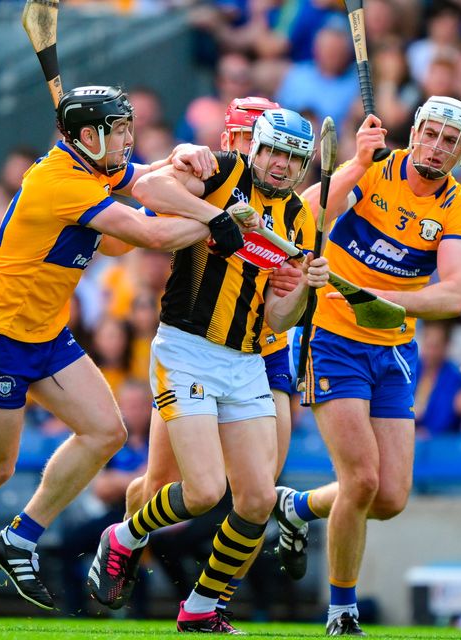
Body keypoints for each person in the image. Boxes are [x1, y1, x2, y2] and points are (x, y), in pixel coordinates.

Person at [0, 85, 255, 627]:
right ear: (89, 136)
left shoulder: (96, 168)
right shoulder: (61, 181)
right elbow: (147, 233)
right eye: (120, 129)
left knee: (106, 432)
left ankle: (21, 536)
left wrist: (183, 157)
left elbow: (151, 180)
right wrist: (220, 217)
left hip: (46, 334)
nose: (129, 139)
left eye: (132, 127)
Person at [85, 107, 329, 634]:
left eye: (293, 158)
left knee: (259, 499)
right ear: (255, 148)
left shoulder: (299, 220)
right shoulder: (222, 171)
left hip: (246, 362)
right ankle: (124, 537)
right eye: (273, 151)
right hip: (187, 349)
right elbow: (147, 189)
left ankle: (200, 608)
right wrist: (213, 215)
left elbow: (277, 316)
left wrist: (305, 282)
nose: (281, 165)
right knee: (201, 492)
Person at [276, 95, 461, 636]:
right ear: (413, 132)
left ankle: (296, 508)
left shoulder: (457, 207)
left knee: (389, 498)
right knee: (361, 479)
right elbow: (303, 216)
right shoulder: (374, 168)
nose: (436, 146)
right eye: (430, 133)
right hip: (332, 336)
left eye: (449, 139)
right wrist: (355, 165)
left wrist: (382, 298)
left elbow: (456, 295)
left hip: (393, 347)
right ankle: (343, 611)